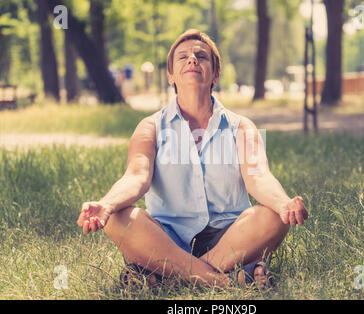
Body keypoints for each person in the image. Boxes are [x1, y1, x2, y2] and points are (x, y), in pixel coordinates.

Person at [77, 29, 309, 289]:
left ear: (215, 74)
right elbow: (135, 177)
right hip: (167, 239)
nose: (192, 60)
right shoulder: (150, 126)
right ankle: (224, 278)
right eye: (183, 57)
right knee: (118, 219)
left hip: (230, 237)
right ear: (170, 75)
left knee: (274, 216)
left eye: (201, 56)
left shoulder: (241, 127)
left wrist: (283, 203)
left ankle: (168, 274)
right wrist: (106, 204)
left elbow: (259, 177)